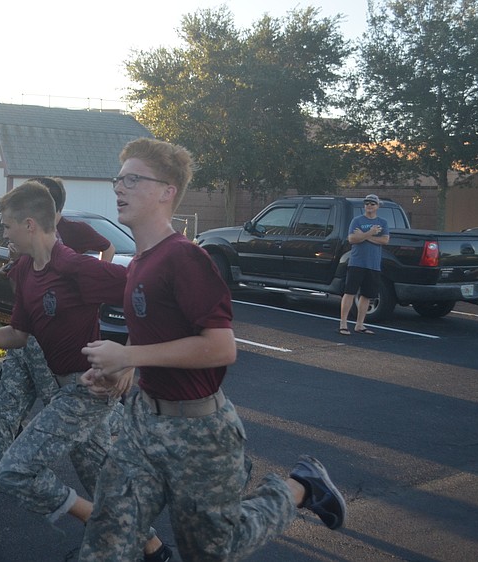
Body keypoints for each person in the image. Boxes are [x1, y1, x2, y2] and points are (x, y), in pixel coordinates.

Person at [78, 138, 347, 561]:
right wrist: (117, 372)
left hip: (199, 432)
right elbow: (148, 332)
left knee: (211, 550)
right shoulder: (139, 262)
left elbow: (222, 348)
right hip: (142, 423)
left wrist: (129, 357)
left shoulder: (185, 258)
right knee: (105, 540)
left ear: (167, 191)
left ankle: (300, 487)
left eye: (132, 179)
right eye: (118, 178)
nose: (119, 187)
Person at [0, 182, 170, 561]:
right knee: (103, 479)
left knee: (14, 470)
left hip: (89, 389)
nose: (4, 234)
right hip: (69, 388)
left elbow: (154, 299)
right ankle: (154, 550)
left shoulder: (77, 267)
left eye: (8, 226)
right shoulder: (26, 273)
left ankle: (106, 529)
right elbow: (18, 334)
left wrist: (131, 357)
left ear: (30, 224)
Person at [338, 194, 390, 335]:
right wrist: (371, 233)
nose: (369, 206)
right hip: (357, 262)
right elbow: (352, 239)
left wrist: (365, 236)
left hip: (373, 264)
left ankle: (360, 325)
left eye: (372, 204)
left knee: (367, 295)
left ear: (377, 206)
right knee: (349, 292)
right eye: (367, 203)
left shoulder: (382, 222)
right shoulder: (357, 221)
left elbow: (385, 240)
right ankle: (343, 324)